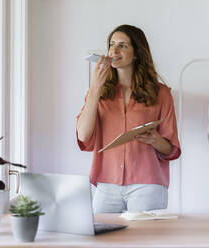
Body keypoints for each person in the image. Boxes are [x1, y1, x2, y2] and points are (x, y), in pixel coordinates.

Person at [76, 24, 181, 213]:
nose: (114, 50)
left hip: (147, 184)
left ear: (136, 53)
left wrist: (156, 140)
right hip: (106, 184)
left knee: (142, 242)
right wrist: (94, 89)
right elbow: (83, 135)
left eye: (122, 45)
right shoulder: (98, 93)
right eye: (112, 45)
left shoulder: (161, 93)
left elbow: (171, 149)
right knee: (104, 241)